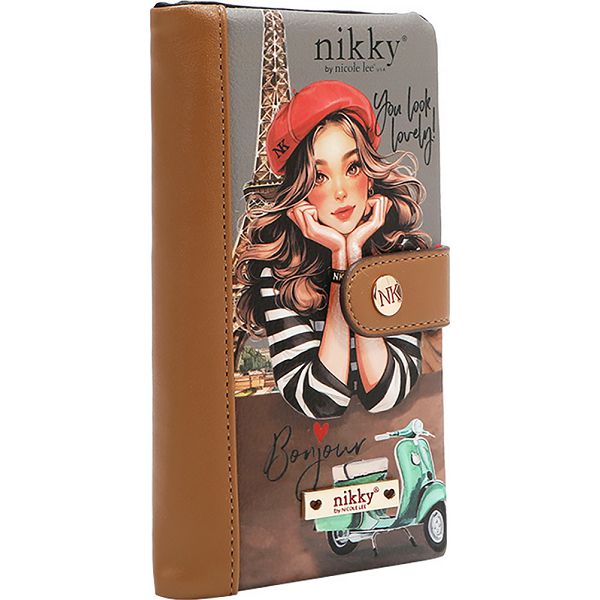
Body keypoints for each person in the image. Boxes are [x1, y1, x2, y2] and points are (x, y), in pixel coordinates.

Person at [235, 80, 431, 420]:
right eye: (319, 176)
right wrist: (342, 263)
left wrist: (355, 258)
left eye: (352, 168)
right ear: (300, 191)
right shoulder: (279, 270)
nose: (340, 191)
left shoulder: (401, 252)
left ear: (369, 175)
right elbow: (321, 400)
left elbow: (387, 393)